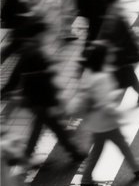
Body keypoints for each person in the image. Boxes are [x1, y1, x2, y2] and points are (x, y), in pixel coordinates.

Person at [2, 18, 84, 163]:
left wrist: (7, 88)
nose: (46, 36)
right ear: (37, 35)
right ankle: (73, 152)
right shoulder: (35, 53)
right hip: (40, 99)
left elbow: (17, 74)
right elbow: (42, 82)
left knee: (42, 125)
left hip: (34, 98)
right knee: (55, 126)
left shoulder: (28, 50)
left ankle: (28, 154)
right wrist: (54, 100)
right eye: (43, 34)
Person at [76, 42, 139, 186]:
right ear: (102, 57)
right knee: (119, 144)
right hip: (105, 120)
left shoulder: (88, 72)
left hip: (95, 119)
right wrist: (120, 112)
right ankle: (136, 168)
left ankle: (87, 178)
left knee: (103, 147)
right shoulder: (101, 77)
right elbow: (105, 104)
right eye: (109, 54)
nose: (111, 55)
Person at [98, 0, 139, 104]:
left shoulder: (112, 16)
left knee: (125, 75)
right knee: (127, 75)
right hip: (121, 54)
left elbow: (124, 36)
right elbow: (128, 36)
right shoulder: (116, 15)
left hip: (119, 55)